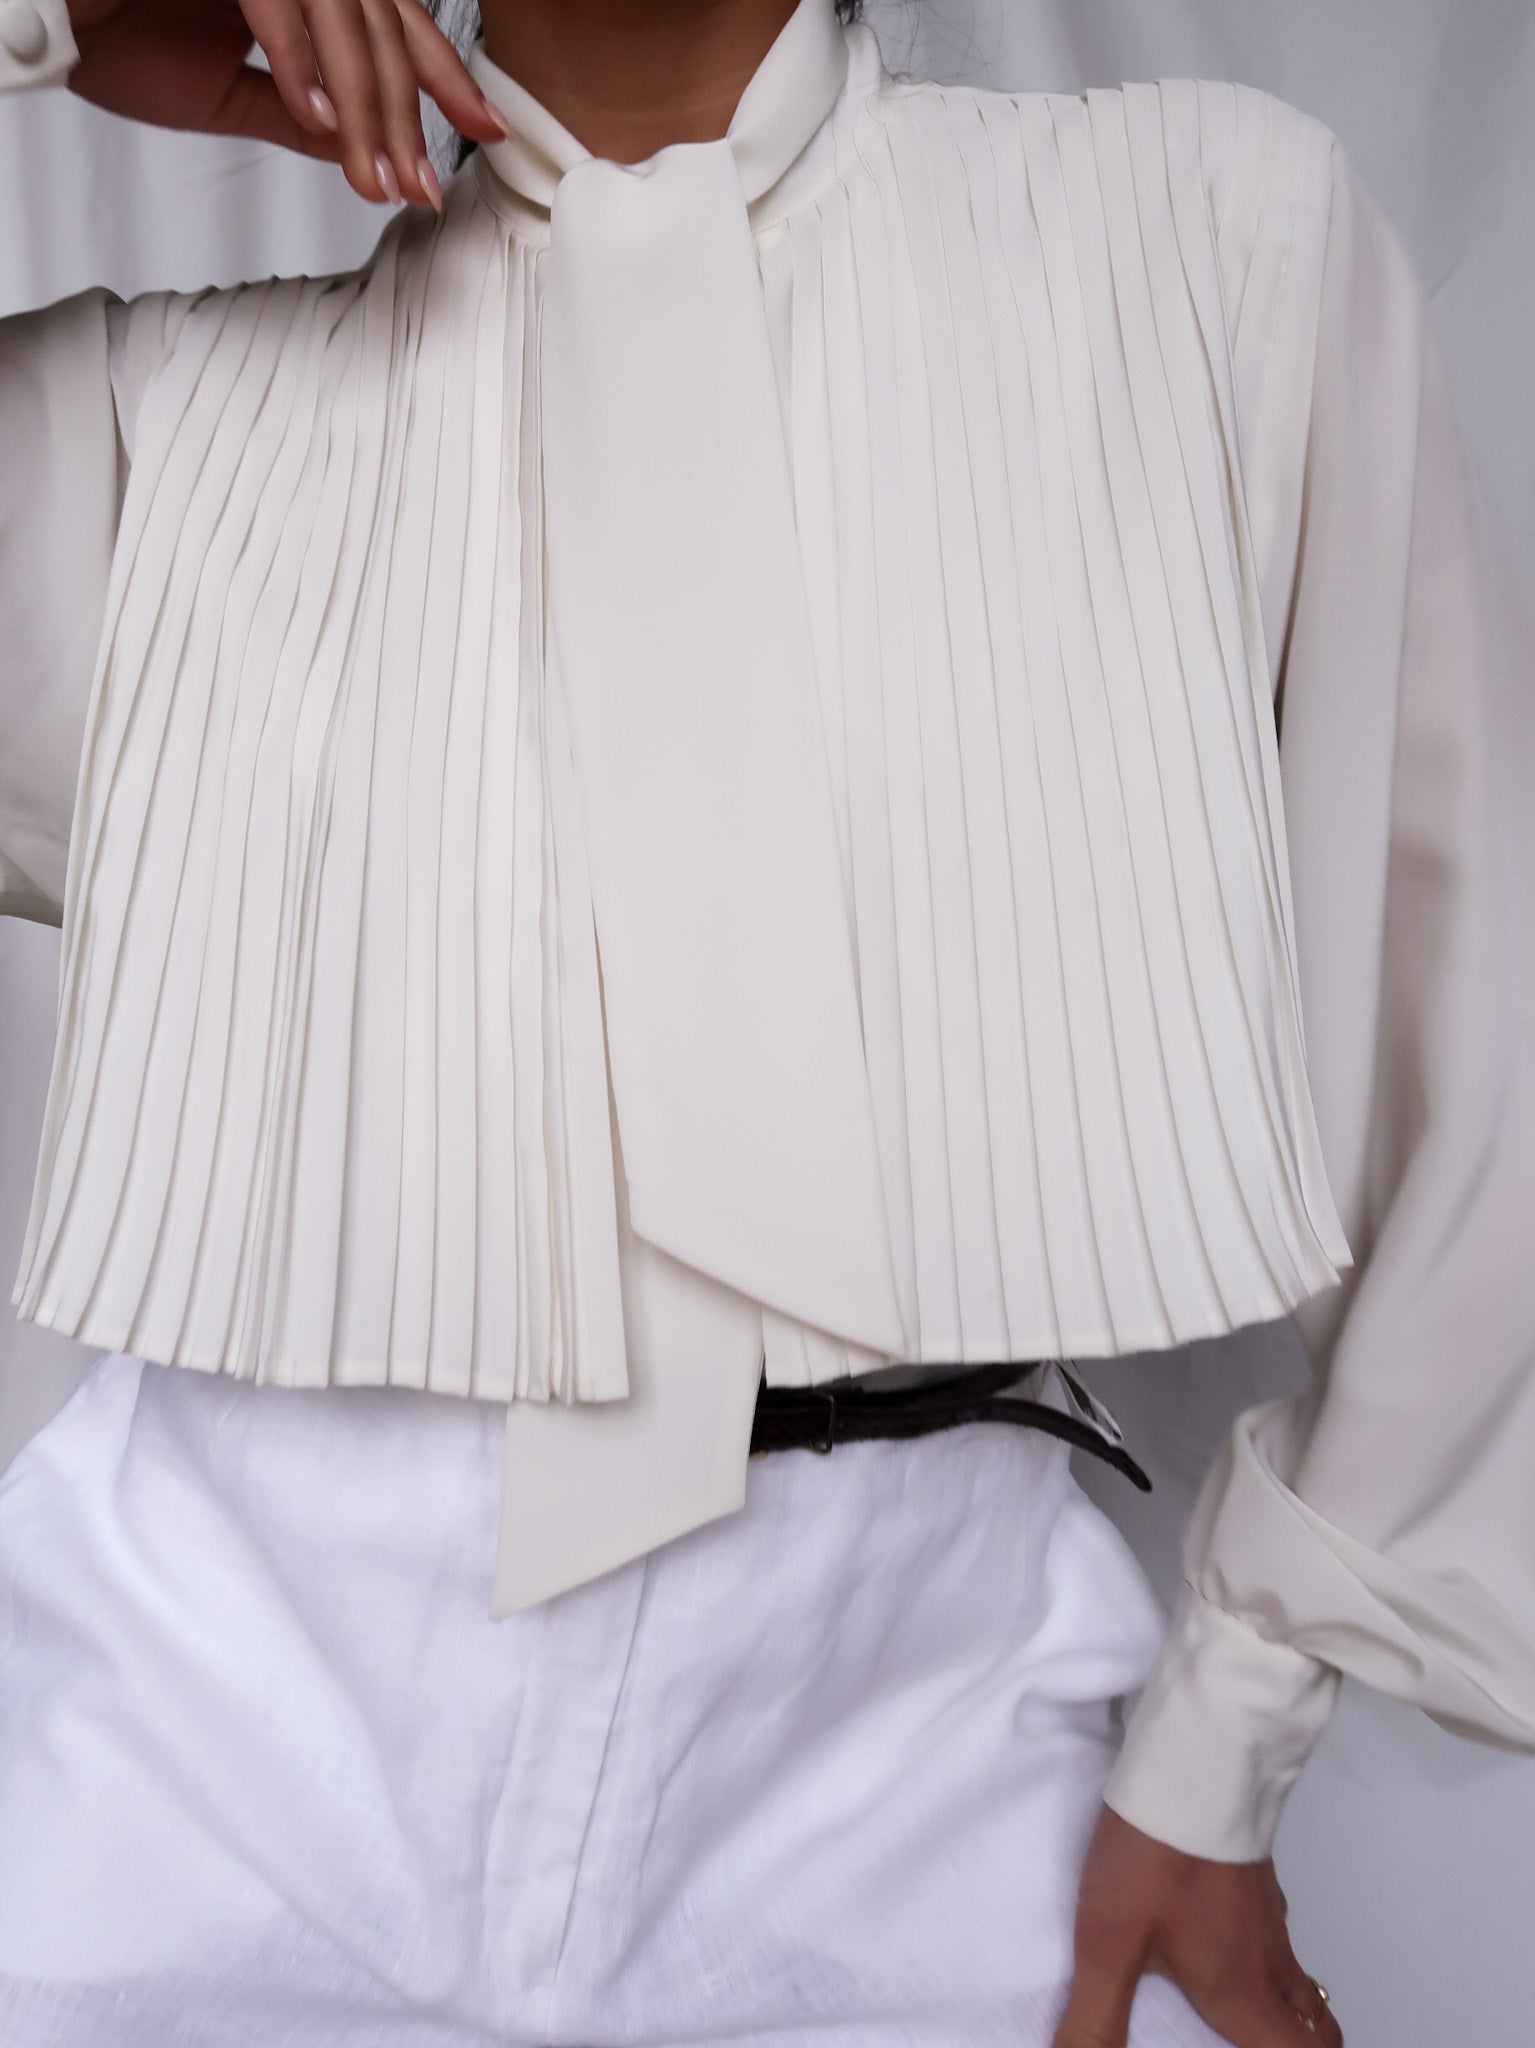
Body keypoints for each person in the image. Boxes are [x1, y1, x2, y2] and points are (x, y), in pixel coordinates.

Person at [0, 0, 1531, 2042]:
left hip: (915, 1745)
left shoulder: (1218, 253)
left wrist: (1225, 1735)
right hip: (187, 1737)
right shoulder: (127, 426)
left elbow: (1481, 1054)